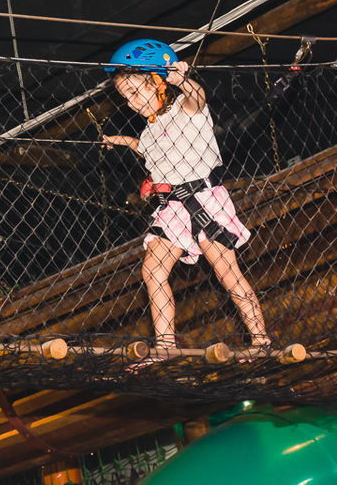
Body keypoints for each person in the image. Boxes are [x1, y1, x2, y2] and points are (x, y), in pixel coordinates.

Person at [102, 39, 269, 362]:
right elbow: (145, 148)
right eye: (125, 97)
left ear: (158, 82)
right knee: (153, 270)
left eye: (135, 92)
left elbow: (197, 97)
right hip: (174, 207)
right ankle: (166, 345)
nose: (131, 103)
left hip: (205, 199)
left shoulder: (185, 108)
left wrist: (183, 81)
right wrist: (120, 141)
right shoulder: (150, 130)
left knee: (226, 273)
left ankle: (261, 341)